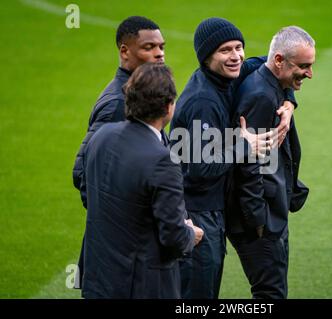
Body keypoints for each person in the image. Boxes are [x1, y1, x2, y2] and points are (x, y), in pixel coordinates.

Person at [170, 17, 297, 299]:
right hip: (197, 213)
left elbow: (280, 64)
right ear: (206, 56)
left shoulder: (233, 72)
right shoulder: (203, 101)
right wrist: (244, 146)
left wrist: (289, 102)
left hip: (214, 208)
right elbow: (199, 167)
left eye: (239, 47)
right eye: (225, 50)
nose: (236, 56)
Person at [81, 63, 204, 299]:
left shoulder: (101, 137)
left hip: (98, 279)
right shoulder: (162, 161)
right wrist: (192, 234)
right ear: (169, 107)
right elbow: (174, 237)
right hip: (141, 287)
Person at [72, 16, 166, 288]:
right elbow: (84, 174)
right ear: (125, 51)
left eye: (161, 46)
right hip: (121, 260)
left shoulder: (139, 96)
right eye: (149, 47)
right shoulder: (118, 104)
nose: (159, 53)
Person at [226, 26, 313, 299]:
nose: (310, 73)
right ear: (278, 61)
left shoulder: (267, 80)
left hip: (268, 214)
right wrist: (258, 220)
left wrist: (290, 102)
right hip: (259, 223)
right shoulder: (260, 96)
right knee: (270, 293)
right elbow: (248, 163)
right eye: (304, 66)